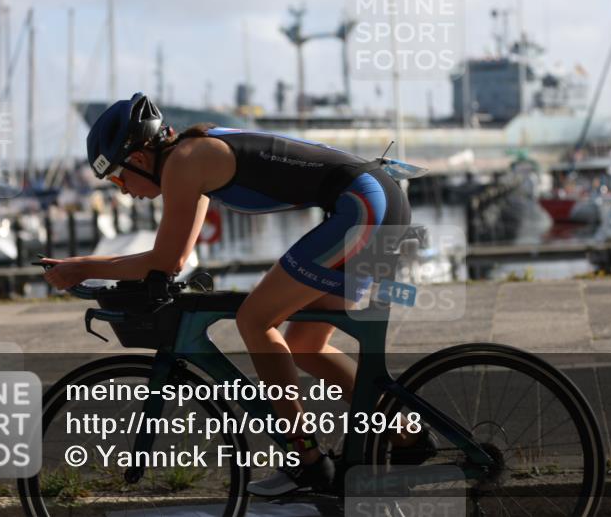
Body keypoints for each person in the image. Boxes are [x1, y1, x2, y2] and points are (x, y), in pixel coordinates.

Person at [42, 93, 435, 495]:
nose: (124, 191)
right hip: (376, 202)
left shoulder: (184, 162)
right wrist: (84, 264)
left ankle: (306, 458)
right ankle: (405, 434)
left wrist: (85, 267)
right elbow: (171, 260)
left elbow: (166, 258)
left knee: (254, 319)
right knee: (304, 346)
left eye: (119, 179)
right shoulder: (189, 159)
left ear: (139, 159)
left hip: (365, 209)